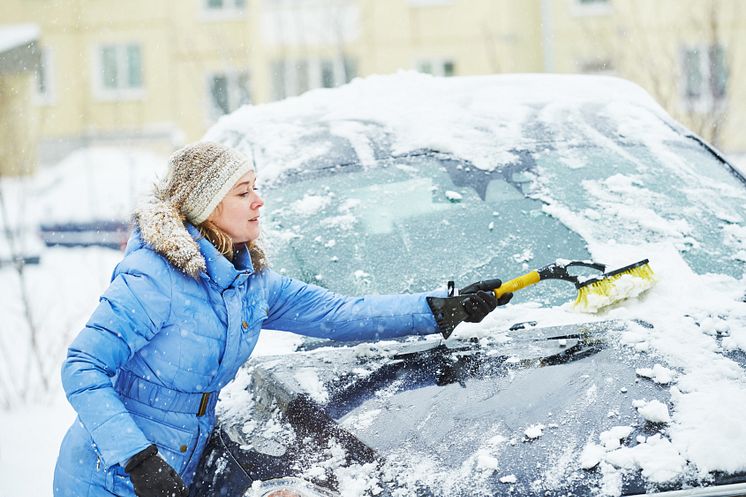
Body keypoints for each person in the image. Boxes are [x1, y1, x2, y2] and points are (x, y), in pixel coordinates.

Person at [53, 141, 511, 497]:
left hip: (176, 467)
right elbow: (82, 367)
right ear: (208, 207)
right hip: (106, 473)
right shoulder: (155, 278)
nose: (259, 202)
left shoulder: (249, 283)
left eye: (256, 189)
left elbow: (339, 313)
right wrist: (137, 457)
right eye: (244, 192)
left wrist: (437, 310)